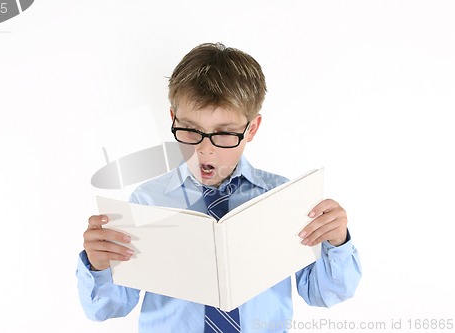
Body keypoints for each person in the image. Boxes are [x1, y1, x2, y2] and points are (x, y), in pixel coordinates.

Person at [77, 42, 362, 333]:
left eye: (224, 133)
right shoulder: (146, 201)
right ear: (173, 119)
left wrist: (336, 242)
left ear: (251, 129)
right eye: (190, 130)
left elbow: (323, 293)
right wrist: (98, 265)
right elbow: (109, 308)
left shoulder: (282, 198)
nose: (205, 149)